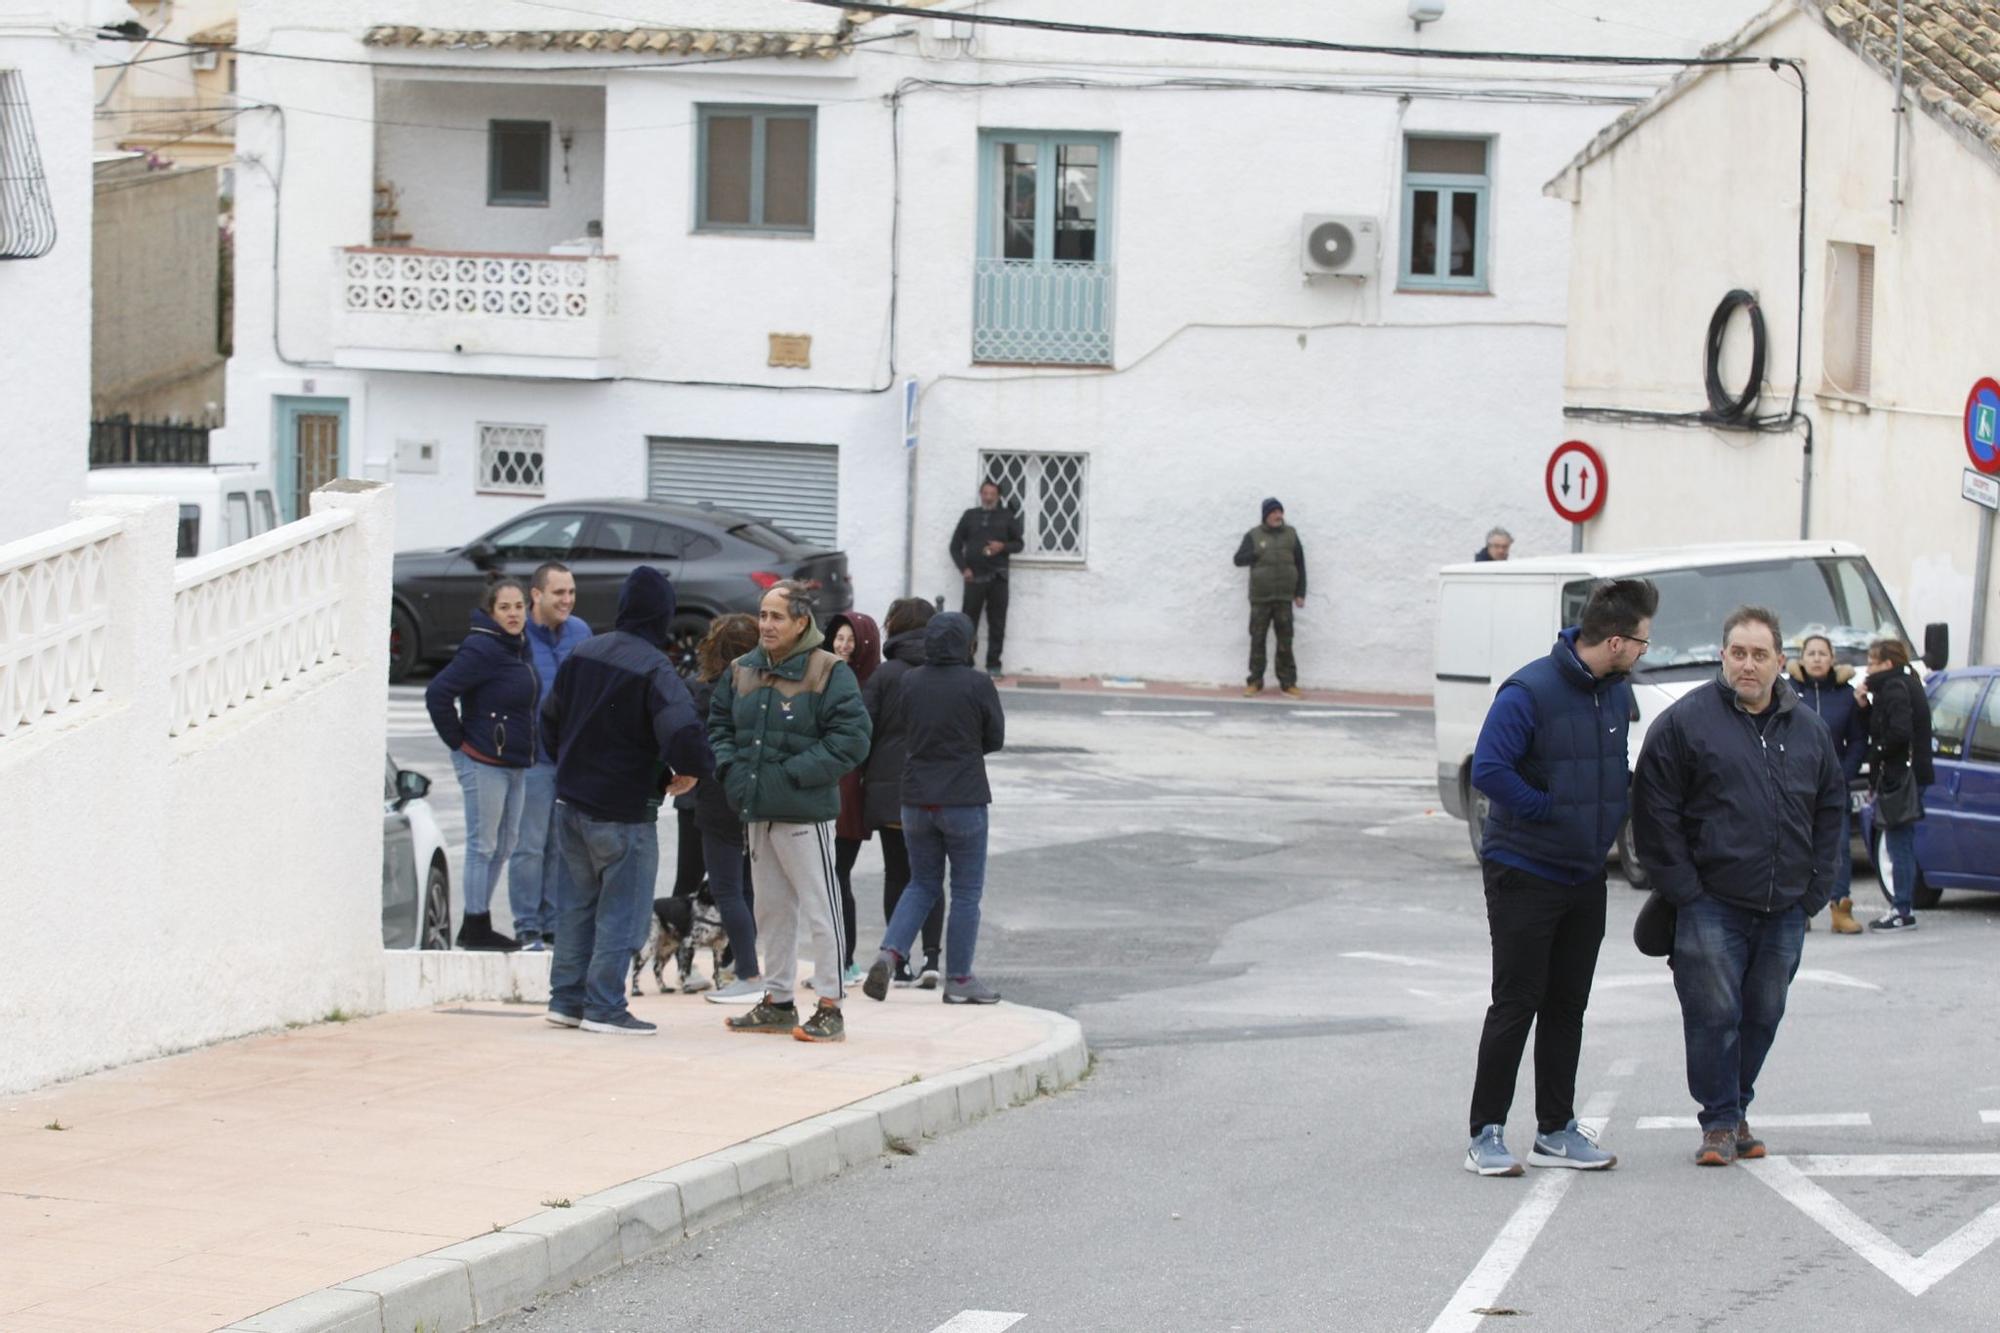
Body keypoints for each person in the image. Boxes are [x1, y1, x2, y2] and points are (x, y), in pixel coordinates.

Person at [1632, 606, 1846, 1166]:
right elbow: (1654, 809)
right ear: (1723, 656)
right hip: (1711, 902)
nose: (1748, 665)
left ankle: (1736, 1106)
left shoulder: (1809, 730)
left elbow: (1830, 809)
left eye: (1759, 655)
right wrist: (1683, 888)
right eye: (1738, 653)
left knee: (1763, 1012)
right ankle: (1720, 1121)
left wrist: (1815, 891)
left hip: (1786, 906)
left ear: (1780, 661)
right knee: (1712, 1014)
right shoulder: (1685, 722)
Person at [1461, 578, 1656, 1177]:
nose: (1645, 652)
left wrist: (1609, 816)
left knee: (1568, 1004)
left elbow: (1613, 767)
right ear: (1617, 642)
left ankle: (1555, 1130)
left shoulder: (1616, 694)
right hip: (1524, 871)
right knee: (1517, 1000)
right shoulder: (1529, 691)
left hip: (1583, 873)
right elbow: (1489, 769)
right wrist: (1546, 810)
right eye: (1643, 643)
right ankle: (1485, 1134)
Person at [540, 567, 713, 1035]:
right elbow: (683, 730)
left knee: (576, 907)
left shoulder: (582, 652)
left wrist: (569, 765)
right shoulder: (655, 667)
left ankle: (566, 1000)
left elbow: (548, 719)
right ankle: (604, 1006)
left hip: (570, 803)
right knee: (625, 911)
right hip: (623, 810)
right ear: (663, 615)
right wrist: (688, 770)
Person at [708, 580, 872, 1043]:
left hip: (805, 813)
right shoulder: (742, 670)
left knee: (823, 909)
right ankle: (778, 1001)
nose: (765, 625)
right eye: (762, 615)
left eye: (776, 616)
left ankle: (830, 1006)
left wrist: (793, 775)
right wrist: (731, 771)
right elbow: (718, 725)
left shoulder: (828, 671)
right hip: (757, 810)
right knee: (772, 910)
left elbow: (852, 739)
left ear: (802, 622)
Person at [862, 612, 1006, 1005]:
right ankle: (958, 979)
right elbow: (995, 737)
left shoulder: (911, 680)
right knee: (964, 892)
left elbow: (906, 725)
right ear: (965, 643)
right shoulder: (977, 683)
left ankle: (889, 954)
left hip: (915, 799)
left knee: (921, 883)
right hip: (963, 797)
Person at [424, 579, 538, 952]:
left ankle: (478, 921)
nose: (514, 614)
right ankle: (475, 924)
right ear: (491, 612)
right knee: (482, 845)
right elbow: (439, 693)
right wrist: (460, 744)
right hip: (484, 760)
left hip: (515, 761)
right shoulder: (482, 647)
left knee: (506, 844)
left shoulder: (519, 646)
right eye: (505, 607)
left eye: (519, 606)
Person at [863, 597, 946, 988]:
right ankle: (933, 959)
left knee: (897, 874)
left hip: (888, 789)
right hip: (935, 787)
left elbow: (864, 730)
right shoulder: (943, 671)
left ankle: (900, 960)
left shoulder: (884, 674)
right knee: (931, 875)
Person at [508, 562, 591, 951]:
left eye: (571, 592)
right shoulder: (517, 634)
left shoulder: (580, 632)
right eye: (559, 592)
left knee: (561, 844)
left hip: (572, 756)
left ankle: (553, 923)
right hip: (532, 757)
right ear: (536, 595)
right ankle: (527, 925)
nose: (568, 600)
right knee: (529, 844)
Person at [689, 615, 765, 1004]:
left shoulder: (706, 692)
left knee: (727, 890)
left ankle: (748, 972)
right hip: (757, 796)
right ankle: (748, 965)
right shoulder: (766, 687)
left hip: (717, 797)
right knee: (749, 889)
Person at [1786, 632, 1866, 933]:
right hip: (1795, 785)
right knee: (1795, 847)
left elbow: (1858, 740)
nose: (1817, 658)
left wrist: (1844, 773)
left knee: (1838, 847)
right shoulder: (1788, 691)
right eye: (1812, 653)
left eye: (1823, 653)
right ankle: (1797, 909)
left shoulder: (1847, 694)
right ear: (1802, 658)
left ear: (1832, 659)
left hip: (1834, 785)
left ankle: (1840, 907)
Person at [1858, 636, 1935, 932]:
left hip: (1901, 776)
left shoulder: (1893, 688)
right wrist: (1866, 707)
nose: (1867, 669)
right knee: (1900, 840)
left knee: (1898, 842)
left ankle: (1902, 908)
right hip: (1909, 774)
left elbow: (1898, 732)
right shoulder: (1905, 683)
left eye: (1871, 662)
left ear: (1886, 664)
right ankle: (1902, 906)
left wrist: (1874, 754)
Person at [826, 611, 882, 989]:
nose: (843, 646)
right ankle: (834, 959)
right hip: (820, 790)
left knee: (838, 876)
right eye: (838, 638)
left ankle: (844, 959)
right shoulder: (823, 674)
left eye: (851, 640)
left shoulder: (871, 685)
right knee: (822, 879)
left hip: (850, 795)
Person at [949, 479, 1024, 678]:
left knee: (997, 622)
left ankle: (993, 664)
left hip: (999, 577)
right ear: (981, 494)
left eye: (992, 493)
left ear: (998, 496)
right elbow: (954, 546)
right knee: (968, 622)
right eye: (985, 493)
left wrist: (1002, 547)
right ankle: (967, 662)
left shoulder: (1007, 516)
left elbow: (1019, 544)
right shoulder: (970, 516)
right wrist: (964, 569)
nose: (988, 497)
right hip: (974, 578)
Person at [1233, 498, 1308, 698]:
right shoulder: (1253, 536)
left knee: (1285, 641)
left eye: (1280, 512)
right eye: (1274, 512)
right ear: (1266, 515)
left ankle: (1288, 683)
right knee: (1258, 640)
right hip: (1260, 598)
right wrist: (1255, 553)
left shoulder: (1291, 535)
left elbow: (1300, 564)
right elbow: (1238, 559)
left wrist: (1300, 593)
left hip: (1284, 597)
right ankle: (1255, 682)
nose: (1278, 516)